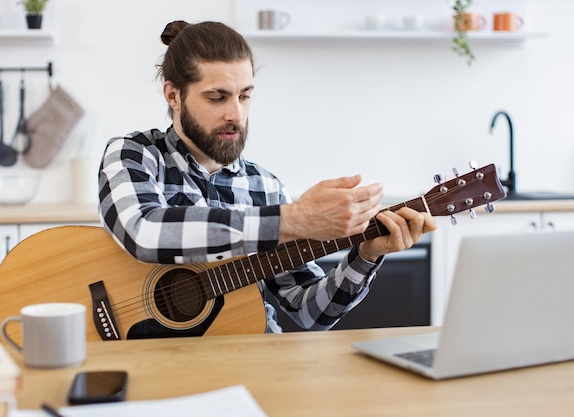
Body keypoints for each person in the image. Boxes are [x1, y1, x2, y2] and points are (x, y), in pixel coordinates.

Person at [98, 20, 437, 334]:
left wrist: (366, 255)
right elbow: (144, 232)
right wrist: (293, 219)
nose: (236, 114)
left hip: (248, 360)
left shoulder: (265, 186)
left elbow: (309, 312)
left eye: (245, 96)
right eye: (217, 97)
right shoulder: (134, 155)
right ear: (173, 95)